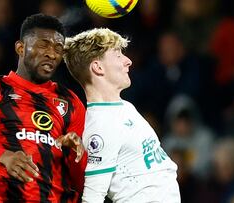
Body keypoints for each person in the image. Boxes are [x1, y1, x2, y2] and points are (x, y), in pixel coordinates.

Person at [0, 13, 87, 202]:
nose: (51, 54)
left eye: (58, 48)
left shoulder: (71, 102)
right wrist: (5, 157)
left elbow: (80, 181)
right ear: (20, 48)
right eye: (43, 44)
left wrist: (78, 154)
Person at [63, 28, 180, 203]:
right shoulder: (101, 126)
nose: (128, 61)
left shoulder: (124, 107)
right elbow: (92, 197)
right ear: (98, 67)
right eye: (118, 55)